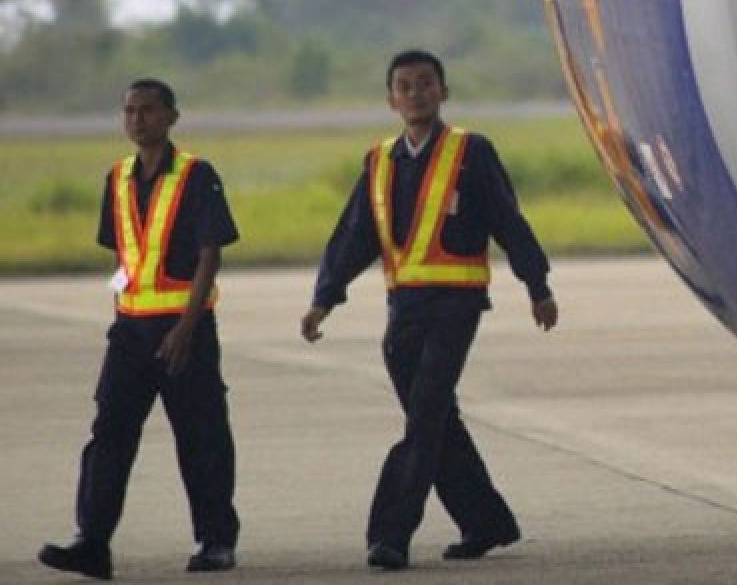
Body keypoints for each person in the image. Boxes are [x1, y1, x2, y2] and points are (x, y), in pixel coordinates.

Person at [300, 49, 558, 571]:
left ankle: (389, 535)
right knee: (437, 419)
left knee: (423, 418)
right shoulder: (379, 162)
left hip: (455, 306)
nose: (416, 94)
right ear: (392, 99)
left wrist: (537, 284)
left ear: (444, 92)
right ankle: (485, 521)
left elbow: (509, 221)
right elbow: (354, 236)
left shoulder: (472, 152)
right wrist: (324, 298)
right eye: (405, 86)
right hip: (404, 310)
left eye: (425, 84)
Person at [39, 79, 241, 580]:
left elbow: (210, 254)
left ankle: (215, 541)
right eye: (129, 111)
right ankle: (92, 541)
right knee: (109, 433)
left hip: (183, 331)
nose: (137, 120)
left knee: (201, 437)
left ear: (172, 116)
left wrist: (187, 329)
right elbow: (123, 252)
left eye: (148, 111)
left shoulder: (196, 175)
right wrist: (121, 310)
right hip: (129, 331)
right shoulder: (118, 177)